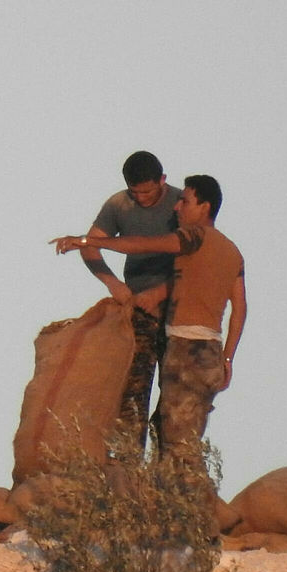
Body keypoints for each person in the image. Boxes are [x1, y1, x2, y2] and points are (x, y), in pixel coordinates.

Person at [51, 175, 247, 503]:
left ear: (204, 207)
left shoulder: (194, 237)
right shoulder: (232, 252)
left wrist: (88, 241)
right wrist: (228, 357)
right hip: (210, 353)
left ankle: (185, 512)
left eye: (185, 201)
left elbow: (144, 244)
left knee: (178, 444)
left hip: (187, 352)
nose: (178, 207)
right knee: (175, 432)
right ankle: (167, 504)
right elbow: (240, 308)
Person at [80, 151, 181, 448]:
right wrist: (113, 283)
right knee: (132, 393)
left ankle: (169, 465)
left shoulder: (181, 205)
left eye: (148, 192)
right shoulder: (119, 205)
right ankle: (128, 462)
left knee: (176, 396)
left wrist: (161, 293)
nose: (142, 198)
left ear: (162, 180)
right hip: (138, 312)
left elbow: (199, 258)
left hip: (179, 310)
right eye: (135, 193)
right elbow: (90, 245)